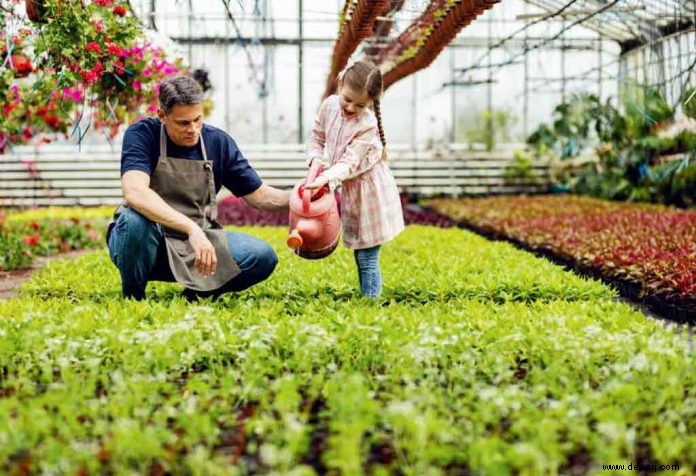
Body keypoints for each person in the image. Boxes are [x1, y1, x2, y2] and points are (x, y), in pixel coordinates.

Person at [107, 75, 290, 301]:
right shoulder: (142, 135)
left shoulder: (218, 142)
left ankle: (193, 296)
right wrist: (191, 229)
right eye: (183, 123)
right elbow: (135, 191)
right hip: (149, 245)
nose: (193, 129)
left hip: (197, 245)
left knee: (262, 256)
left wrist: (300, 196)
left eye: (198, 120)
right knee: (134, 221)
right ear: (162, 116)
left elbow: (260, 196)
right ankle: (133, 298)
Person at [305, 60, 404, 298]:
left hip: (371, 191)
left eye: (360, 105)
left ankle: (369, 308)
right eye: (347, 99)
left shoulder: (367, 124)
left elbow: (349, 163)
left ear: (370, 103)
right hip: (351, 187)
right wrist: (315, 161)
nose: (350, 108)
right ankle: (367, 299)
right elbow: (316, 138)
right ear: (340, 84)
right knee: (361, 253)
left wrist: (326, 177)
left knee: (367, 256)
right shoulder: (329, 106)